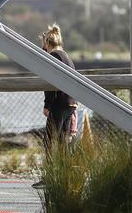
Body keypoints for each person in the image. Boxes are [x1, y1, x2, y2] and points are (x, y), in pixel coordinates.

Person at [33, 24, 78, 188]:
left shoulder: (53, 56)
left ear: (46, 43)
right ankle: (65, 175)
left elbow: (50, 82)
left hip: (59, 102)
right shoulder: (66, 55)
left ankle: (50, 177)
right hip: (71, 102)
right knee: (63, 141)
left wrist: (47, 104)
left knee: (50, 139)